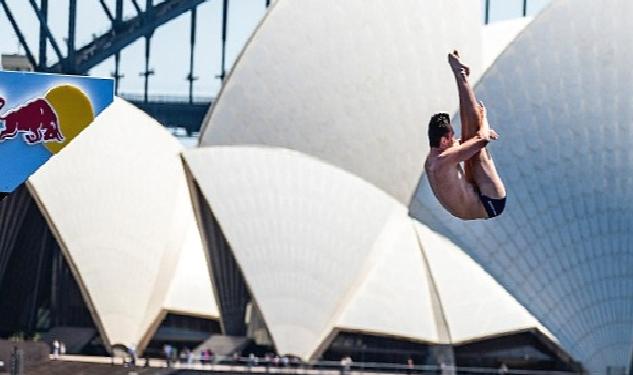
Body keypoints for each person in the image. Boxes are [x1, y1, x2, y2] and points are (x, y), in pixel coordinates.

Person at [425, 51, 506, 220]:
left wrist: (477, 136)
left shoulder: (433, 158)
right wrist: (484, 118)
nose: (454, 138)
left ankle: (460, 75)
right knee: (473, 141)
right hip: (491, 202)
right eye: (451, 135)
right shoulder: (444, 160)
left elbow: (465, 143)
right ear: (443, 140)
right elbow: (482, 140)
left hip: (470, 198)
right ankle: (460, 75)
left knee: (469, 141)